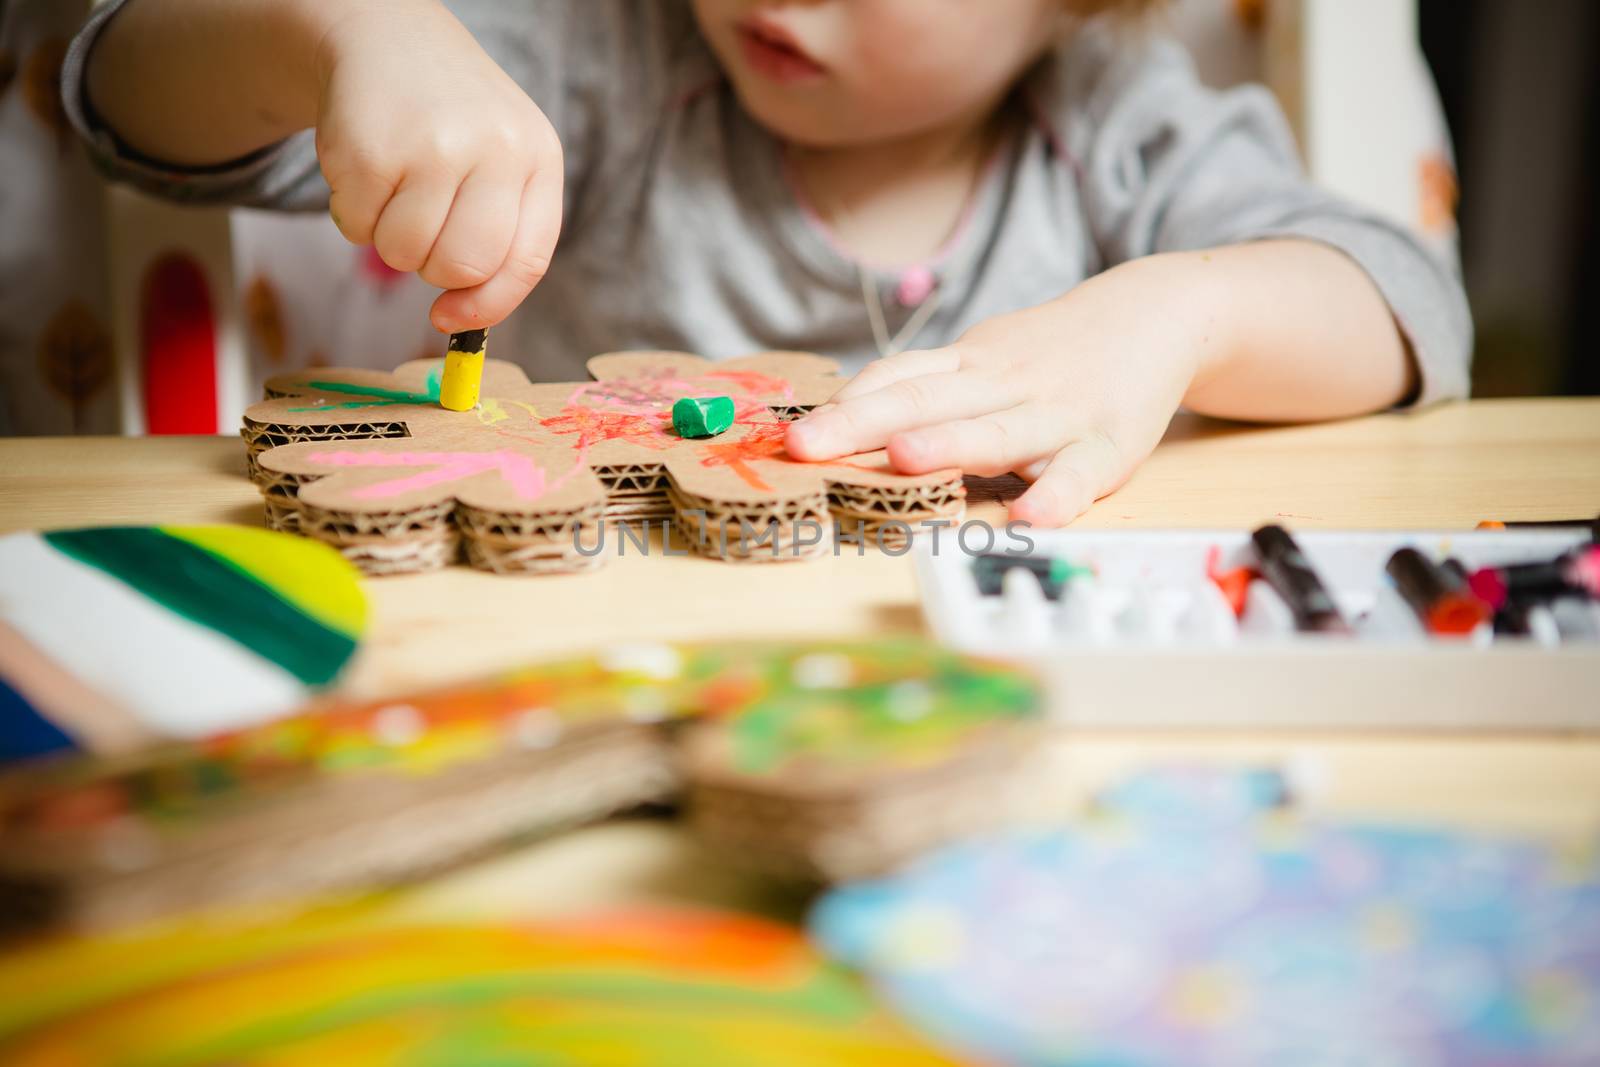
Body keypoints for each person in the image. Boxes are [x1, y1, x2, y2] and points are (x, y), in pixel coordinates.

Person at [65, 0, 1471, 525]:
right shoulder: (612, 58)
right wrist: (340, 33)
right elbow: (121, 98)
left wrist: (1189, 311)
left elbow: (1408, 305)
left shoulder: (1114, 122)